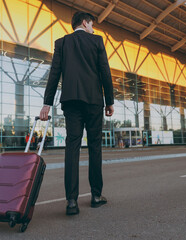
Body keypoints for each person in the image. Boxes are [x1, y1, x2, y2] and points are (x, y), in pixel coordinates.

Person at [40, 11, 114, 215]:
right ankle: (96, 196)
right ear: (84, 22)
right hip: (93, 102)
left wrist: (47, 103)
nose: (93, 29)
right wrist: (109, 101)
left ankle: (71, 202)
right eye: (92, 25)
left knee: (72, 148)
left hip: (71, 102)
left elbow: (54, 73)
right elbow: (105, 71)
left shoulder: (62, 43)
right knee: (95, 147)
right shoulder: (97, 41)